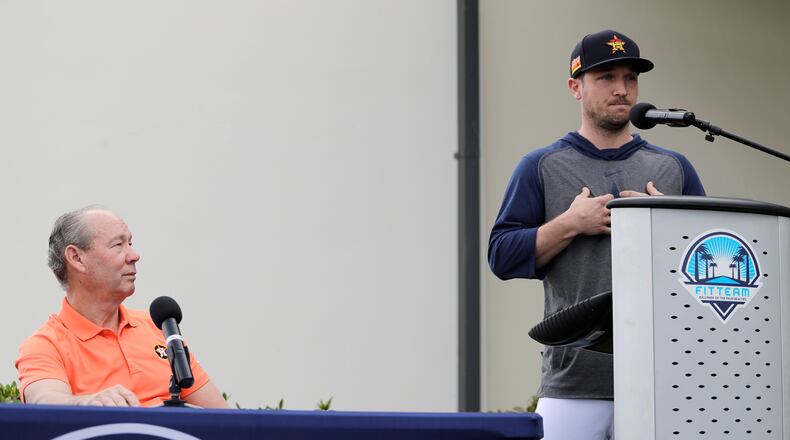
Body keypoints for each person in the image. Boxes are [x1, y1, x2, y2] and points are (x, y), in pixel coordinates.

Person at [487, 30, 705, 439]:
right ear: (575, 86)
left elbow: (704, 267)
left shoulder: (674, 168)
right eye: (606, 77)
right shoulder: (541, 166)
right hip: (573, 385)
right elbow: (500, 255)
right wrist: (571, 223)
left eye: (630, 78)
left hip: (663, 381)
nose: (622, 89)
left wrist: (665, 224)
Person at [16, 206, 229, 408]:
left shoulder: (159, 326)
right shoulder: (46, 345)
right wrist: (90, 403)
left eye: (130, 243)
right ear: (76, 258)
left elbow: (224, 419)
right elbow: (46, 401)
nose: (134, 255)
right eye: (118, 245)